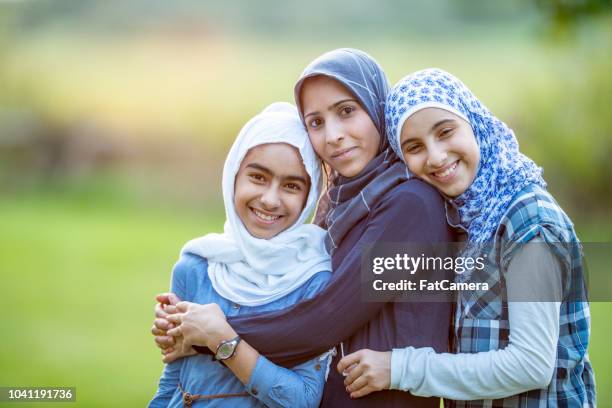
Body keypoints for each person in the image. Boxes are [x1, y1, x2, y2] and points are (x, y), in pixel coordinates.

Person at [153, 49, 456, 407]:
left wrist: (209, 333)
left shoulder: (410, 204)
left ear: (377, 106)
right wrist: (193, 325)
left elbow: (326, 319)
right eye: (316, 122)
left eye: (346, 111)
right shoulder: (343, 204)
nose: (333, 136)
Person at [339, 67, 596, 406]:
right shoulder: (466, 218)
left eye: (445, 132)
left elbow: (531, 365)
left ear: (474, 122)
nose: (436, 156)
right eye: (414, 147)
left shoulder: (527, 220)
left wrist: (399, 368)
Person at [148, 102, 335, 407]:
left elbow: (303, 399)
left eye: (291, 186)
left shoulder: (314, 279)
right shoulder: (196, 265)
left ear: (309, 196)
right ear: (233, 175)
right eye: (258, 177)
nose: (270, 199)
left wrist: (221, 340)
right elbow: (174, 380)